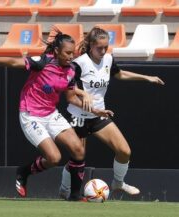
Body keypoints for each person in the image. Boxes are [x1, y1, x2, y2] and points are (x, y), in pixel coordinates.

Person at [0, 31, 113, 201]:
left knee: (78, 150)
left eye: (73, 53)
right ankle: (24, 172)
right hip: (30, 114)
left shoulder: (70, 71)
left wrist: (96, 111)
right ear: (56, 51)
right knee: (54, 158)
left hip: (50, 113)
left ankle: (75, 196)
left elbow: (70, 98)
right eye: (67, 53)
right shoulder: (43, 62)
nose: (71, 57)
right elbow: (13, 61)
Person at [59, 27, 165, 199]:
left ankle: (118, 182)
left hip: (99, 115)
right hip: (78, 116)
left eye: (105, 47)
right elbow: (70, 92)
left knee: (124, 151)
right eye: (99, 47)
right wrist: (83, 93)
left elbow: (120, 74)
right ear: (90, 46)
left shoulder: (108, 59)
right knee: (77, 157)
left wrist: (147, 77)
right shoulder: (79, 63)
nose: (102, 51)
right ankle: (65, 189)